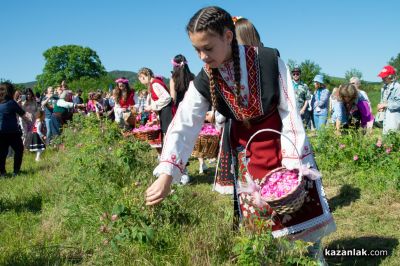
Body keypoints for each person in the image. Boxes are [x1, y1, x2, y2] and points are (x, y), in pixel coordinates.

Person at [145, 6, 335, 261]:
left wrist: (292, 165)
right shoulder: (205, 79)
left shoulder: (268, 60)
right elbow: (184, 123)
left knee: (301, 222)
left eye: (208, 48)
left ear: (228, 36)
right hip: (247, 157)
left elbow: (289, 110)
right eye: (196, 50)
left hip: (283, 147)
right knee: (261, 230)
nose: (202, 56)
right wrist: (167, 173)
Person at [0, 82, 30, 177]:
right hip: (12, 132)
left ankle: (3, 173)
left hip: (1, 132)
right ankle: (16, 172)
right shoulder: (11, 103)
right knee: (19, 150)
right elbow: (23, 114)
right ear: (10, 91)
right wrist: (30, 122)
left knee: (2, 153)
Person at [138, 68, 173, 145]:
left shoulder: (155, 84)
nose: (142, 83)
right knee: (167, 135)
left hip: (167, 112)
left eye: (141, 80)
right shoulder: (154, 83)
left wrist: (152, 106)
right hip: (164, 111)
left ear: (143, 77)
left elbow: (167, 98)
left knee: (168, 134)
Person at [376, 65, 400, 134]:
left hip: (394, 117)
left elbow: (398, 103)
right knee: (386, 137)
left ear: (391, 76)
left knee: (392, 136)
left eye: (384, 77)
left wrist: (385, 105)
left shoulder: (397, 87)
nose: (382, 78)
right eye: (382, 77)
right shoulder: (384, 88)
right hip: (385, 116)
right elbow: (383, 101)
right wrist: (381, 106)